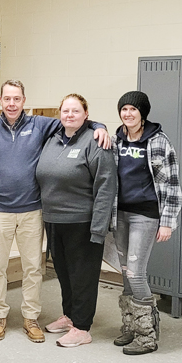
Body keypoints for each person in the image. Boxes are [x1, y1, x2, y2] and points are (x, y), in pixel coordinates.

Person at [0, 80, 110, 342]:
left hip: (32, 211)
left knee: (33, 268)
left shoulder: (40, 124)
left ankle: (30, 317)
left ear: (24, 100)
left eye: (16, 98)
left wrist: (100, 126)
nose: (11, 104)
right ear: (0, 101)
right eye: (7, 99)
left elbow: (75, 121)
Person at [37, 94, 117, 347]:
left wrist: (99, 228)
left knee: (83, 275)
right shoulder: (52, 138)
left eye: (75, 111)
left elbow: (106, 186)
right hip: (54, 220)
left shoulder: (95, 141)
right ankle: (70, 316)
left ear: (86, 114)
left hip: (82, 222)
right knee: (63, 272)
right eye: (65, 111)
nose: (69, 115)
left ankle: (82, 327)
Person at [112, 91, 182, 355]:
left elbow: (172, 184)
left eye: (133, 109)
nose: (128, 114)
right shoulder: (116, 139)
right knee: (124, 272)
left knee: (135, 272)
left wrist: (168, 221)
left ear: (143, 113)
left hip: (146, 215)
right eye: (124, 109)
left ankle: (147, 335)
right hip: (121, 214)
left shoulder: (159, 141)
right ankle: (131, 325)